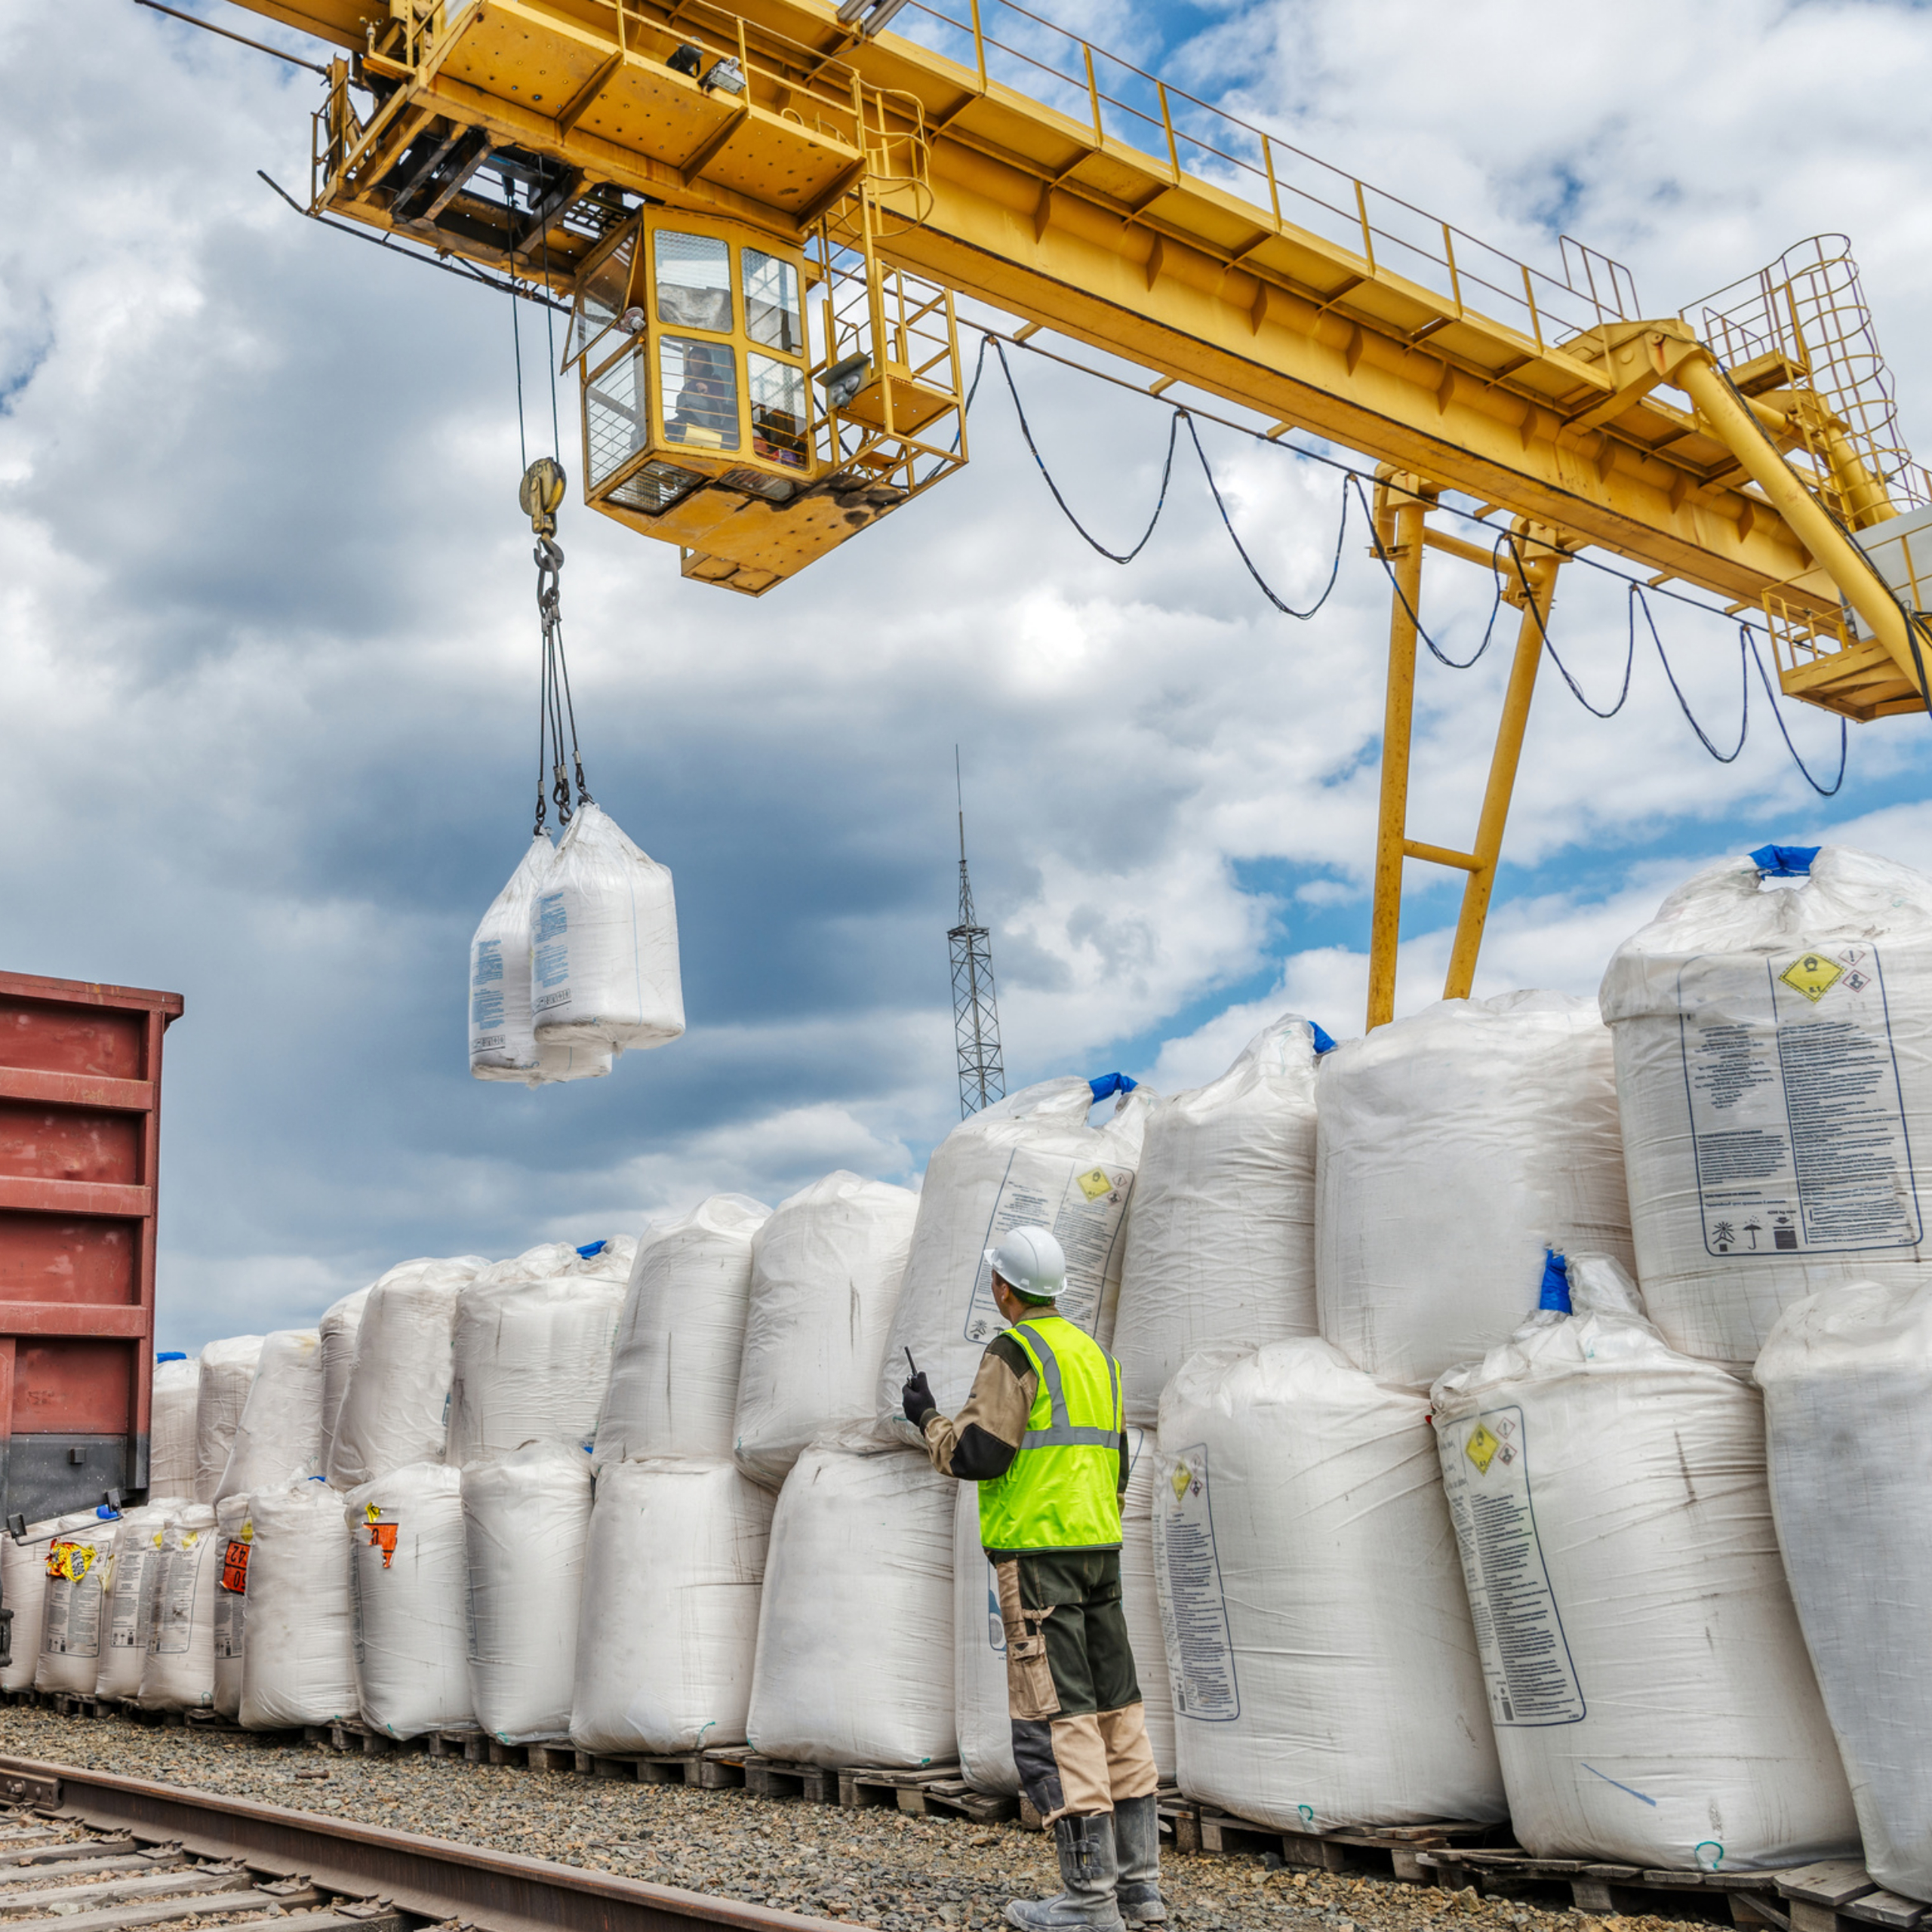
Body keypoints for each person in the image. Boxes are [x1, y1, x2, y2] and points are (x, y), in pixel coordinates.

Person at [902, 1226, 1162, 1932]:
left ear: (1002, 1288)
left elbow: (980, 1455)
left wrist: (927, 1418)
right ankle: (1140, 1890)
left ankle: (1088, 1903)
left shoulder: (1013, 1351)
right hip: (1098, 1553)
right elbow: (1118, 1461)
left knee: (1060, 1721)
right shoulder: (1097, 1357)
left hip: (1038, 1562)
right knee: (1118, 1714)